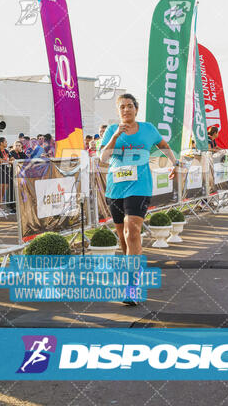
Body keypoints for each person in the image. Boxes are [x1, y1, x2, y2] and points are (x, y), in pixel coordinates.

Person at [100, 93, 179, 304]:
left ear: (136, 109)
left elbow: (163, 145)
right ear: (119, 111)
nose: (126, 110)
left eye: (129, 106)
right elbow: (103, 158)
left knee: (132, 231)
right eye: (122, 107)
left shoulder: (148, 129)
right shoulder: (111, 131)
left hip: (140, 186)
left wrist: (174, 163)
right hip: (116, 188)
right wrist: (116, 136)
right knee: (124, 237)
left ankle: (132, 286)